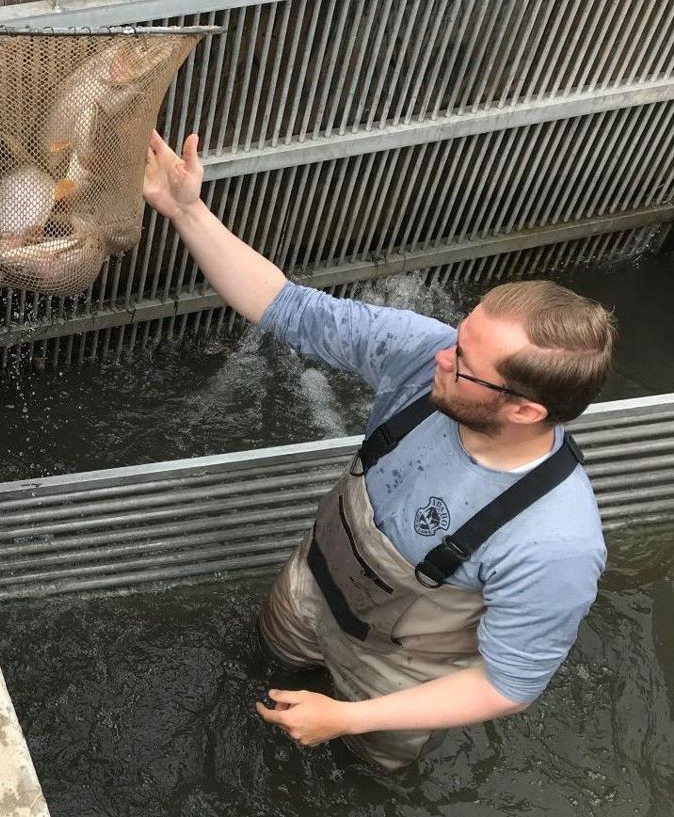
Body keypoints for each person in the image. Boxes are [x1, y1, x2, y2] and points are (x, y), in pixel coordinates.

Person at [142, 130, 615, 771]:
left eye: (464, 363)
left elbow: (508, 685)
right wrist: (187, 212)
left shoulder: (555, 544)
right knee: (265, 660)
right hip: (313, 581)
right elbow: (288, 307)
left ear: (525, 410)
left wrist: (346, 718)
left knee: (364, 767)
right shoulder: (428, 356)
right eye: (458, 336)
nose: (440, 355)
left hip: (399, 673)